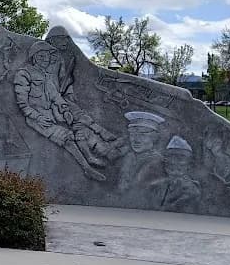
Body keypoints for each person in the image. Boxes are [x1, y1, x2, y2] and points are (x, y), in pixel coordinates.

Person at [14, 41, 107, 181]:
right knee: (67, 137)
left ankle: (90, 157)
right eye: (41, 56)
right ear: (34, 58)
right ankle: (87, 168)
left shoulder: (45, 76)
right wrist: (38, 117)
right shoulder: (23, 74)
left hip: (51, 114)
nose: (46, 59)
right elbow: (23, 104)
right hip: (36, 118)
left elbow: (55, 96)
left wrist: (65, 111)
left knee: (78, 128)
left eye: (47, 56)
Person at [116, 111, 166, 190]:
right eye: (132, 134)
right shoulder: (127, 157)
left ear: (154, 137)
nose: (136, 140)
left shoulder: (157, 163)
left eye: (142, 135)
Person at [152, 135, 201, 212]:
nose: (174, 164)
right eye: (170, 161)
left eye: (180, 162)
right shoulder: (159, 185)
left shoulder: (190, 188)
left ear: (189, 165)